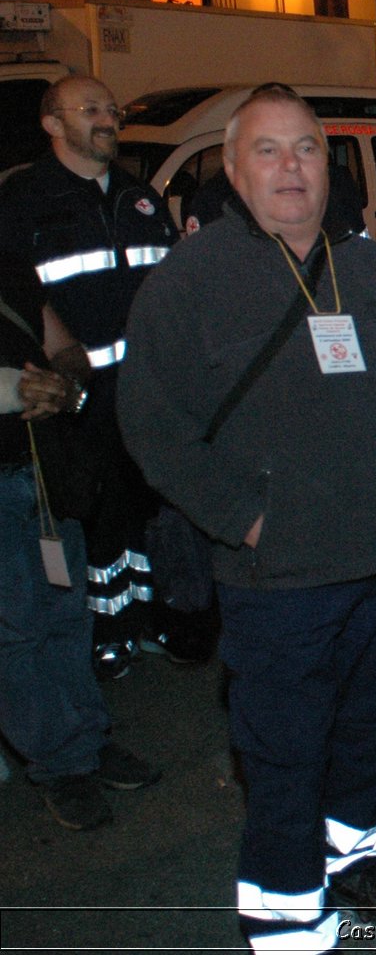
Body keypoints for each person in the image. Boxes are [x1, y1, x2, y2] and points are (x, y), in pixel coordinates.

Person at [118, 86, 376, 949]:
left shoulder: (374, 266)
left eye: (306, 149)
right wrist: (242, 519)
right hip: (274, 577)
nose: (290, 167)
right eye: (267, 151)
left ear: (329, 164)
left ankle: (351, 855)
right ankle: (286, 924)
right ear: (234, 171)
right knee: (284, 755)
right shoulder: (191, 280)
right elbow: (150, 423)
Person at [0, 76, 183, 676]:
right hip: (72, 407)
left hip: (145, 399)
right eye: (92, 110)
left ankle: (144, 620)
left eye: (113, 108)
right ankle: (100, 636)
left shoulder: (140, 198)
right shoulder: (23, 200)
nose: (109, 119)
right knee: (89, 527)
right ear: (52, 124)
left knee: (143, 518)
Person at [0, 271, 161, 830]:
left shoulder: (7, 263)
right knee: (19, 631)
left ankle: (85, 741)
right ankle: (61, 763)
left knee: (68, 614)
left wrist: (63, 383)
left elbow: (66, 348)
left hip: (47, 472)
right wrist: (11, 389)